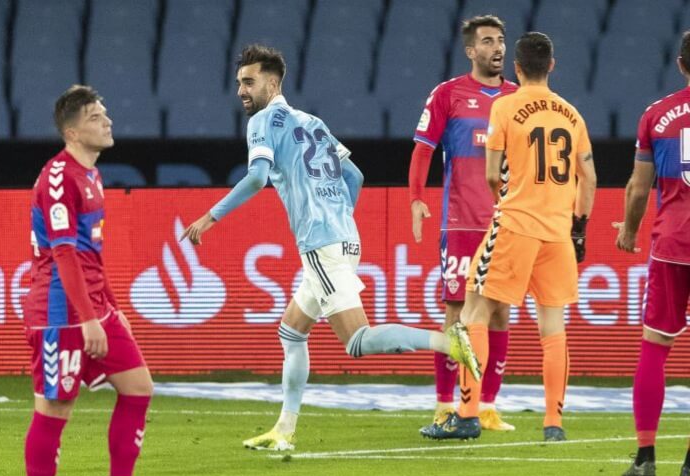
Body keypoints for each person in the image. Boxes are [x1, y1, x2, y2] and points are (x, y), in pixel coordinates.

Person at [183, 44, 481, 451]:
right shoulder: (313, 122)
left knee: (356, 341)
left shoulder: (263, 122)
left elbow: (256, 178)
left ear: (272, 82)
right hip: (339, 238)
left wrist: (209, 217)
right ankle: (284, 431)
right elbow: (355, 176)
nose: (241, 90)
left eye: (249, 82)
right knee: (291, 331)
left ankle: (448, 342)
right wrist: (338, 218)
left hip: (322, 245)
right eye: (238, 83)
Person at [20, 85, 169, 476]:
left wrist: (112, 308)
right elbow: (63, 254)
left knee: (139, 387)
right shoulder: (58, 177)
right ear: (71, 131)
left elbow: (88, 255)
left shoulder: (91, 175)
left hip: (92, 304)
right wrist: (88, 318)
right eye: (94, 117)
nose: (106, 121)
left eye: (105, 113)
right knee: (54, 408)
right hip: (60, 311)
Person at [449, 32, 596, 442]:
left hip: (515, 224)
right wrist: (578, 228)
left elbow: (493, 172)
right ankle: (554, 423)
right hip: (557, 233)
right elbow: (590, 178)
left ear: (516, 68)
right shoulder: (572, 114)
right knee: (553, 325)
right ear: (551, 65)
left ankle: (465, 414)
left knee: (472, 313)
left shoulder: (505, 105)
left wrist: (506, 204)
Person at [409, 15, 518, 439]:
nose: (497, 48)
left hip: (506, 222)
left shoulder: (517, 98)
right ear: (471, 51)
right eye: (488, 41)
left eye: (501, 41)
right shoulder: (449, 94)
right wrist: (416, 198)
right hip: (461, 222)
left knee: (501, 313)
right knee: (455, 313)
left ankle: (487, 407)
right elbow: (422, 149)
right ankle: (444, 404)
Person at [616, 31, 690, 476]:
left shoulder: (657, 115)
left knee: (655, 346)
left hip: (672, 243)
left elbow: (639, 187)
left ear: (681, 65)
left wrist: (628, 229)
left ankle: (645, 458)